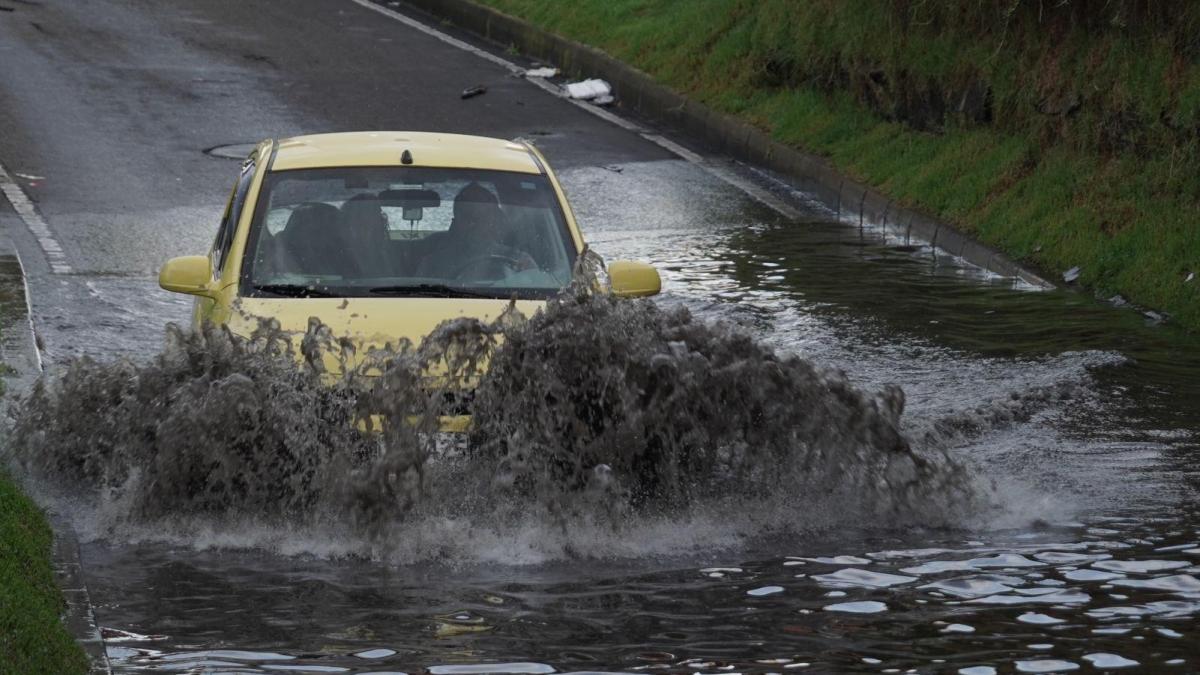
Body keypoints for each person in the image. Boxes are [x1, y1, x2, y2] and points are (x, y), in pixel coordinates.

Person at [416, 182, 535, 280]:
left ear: (495, 222)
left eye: (483, 217)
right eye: (468, 217)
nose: (475, 224)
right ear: (454, 223)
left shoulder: (520, 262)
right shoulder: (433, 264)